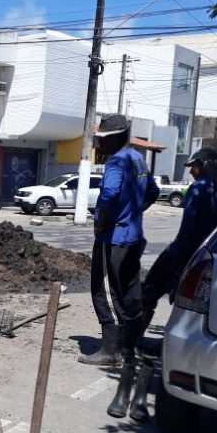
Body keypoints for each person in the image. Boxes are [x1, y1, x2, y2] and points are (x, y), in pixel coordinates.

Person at [139, 147, 217, 334]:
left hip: (186, 254)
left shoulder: (198, 188)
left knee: (148, 292)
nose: (191, 171)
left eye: (195, 166)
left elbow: (187, 231)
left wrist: (178, 270)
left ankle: (129, 344)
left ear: (205, 165)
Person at [79, 114, 159, 370]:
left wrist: (100, 222)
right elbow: (153, 192)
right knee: (129, 292)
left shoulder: (116, 162)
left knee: (105, 291)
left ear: (116, 138)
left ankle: (111, 351)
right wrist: (133, 213)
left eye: (103, 140)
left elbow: (109, 193)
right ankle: (131, 345)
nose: (100, 145)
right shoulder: (138, 160)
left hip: (112, 239)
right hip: (133, 238)